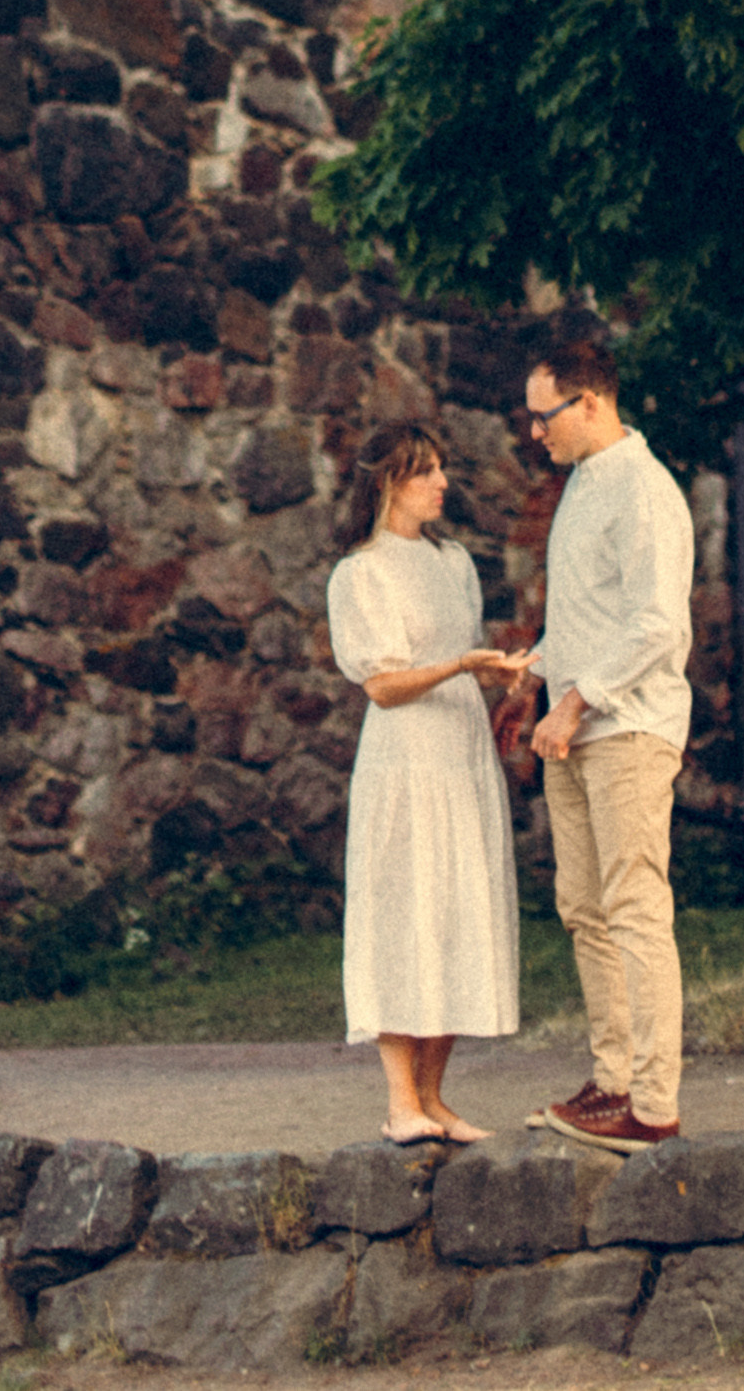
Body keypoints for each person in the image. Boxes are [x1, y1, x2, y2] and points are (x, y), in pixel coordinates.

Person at [513, 322, 695, 1153]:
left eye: (543, 415)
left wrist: (577, 700)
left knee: (633, 909)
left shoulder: (643, 488)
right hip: (575, 729)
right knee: (583, 909)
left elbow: (656, 624)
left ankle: (652, 1105)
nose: (533, 430)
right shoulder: (585, 482)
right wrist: (535, 665)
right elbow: (591, 615)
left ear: (590, 402)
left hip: (626, 731)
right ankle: (610, 1079)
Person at [325, 421, 527, 1142]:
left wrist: (499, 684)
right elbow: (381, 685)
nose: (442, 483)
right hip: (405, 758)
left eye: (441, 469)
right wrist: (460, 666)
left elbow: (461, 654)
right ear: (387, 482)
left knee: (457, 908)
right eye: (425, 472)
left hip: (460, 750)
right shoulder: (360, 572)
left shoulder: (454, 562)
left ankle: (434, 1096)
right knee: (403, 913)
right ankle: (399, 1103)